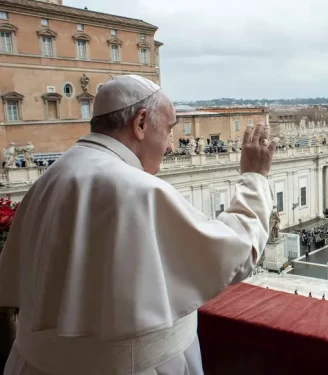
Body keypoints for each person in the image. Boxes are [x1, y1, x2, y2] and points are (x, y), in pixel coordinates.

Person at [0, 76, 278, 375]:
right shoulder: (138, 189)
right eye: (169, 130)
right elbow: (237, 252)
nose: (171, 146)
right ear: (141, 123)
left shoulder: (49, 178)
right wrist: (254, 177)